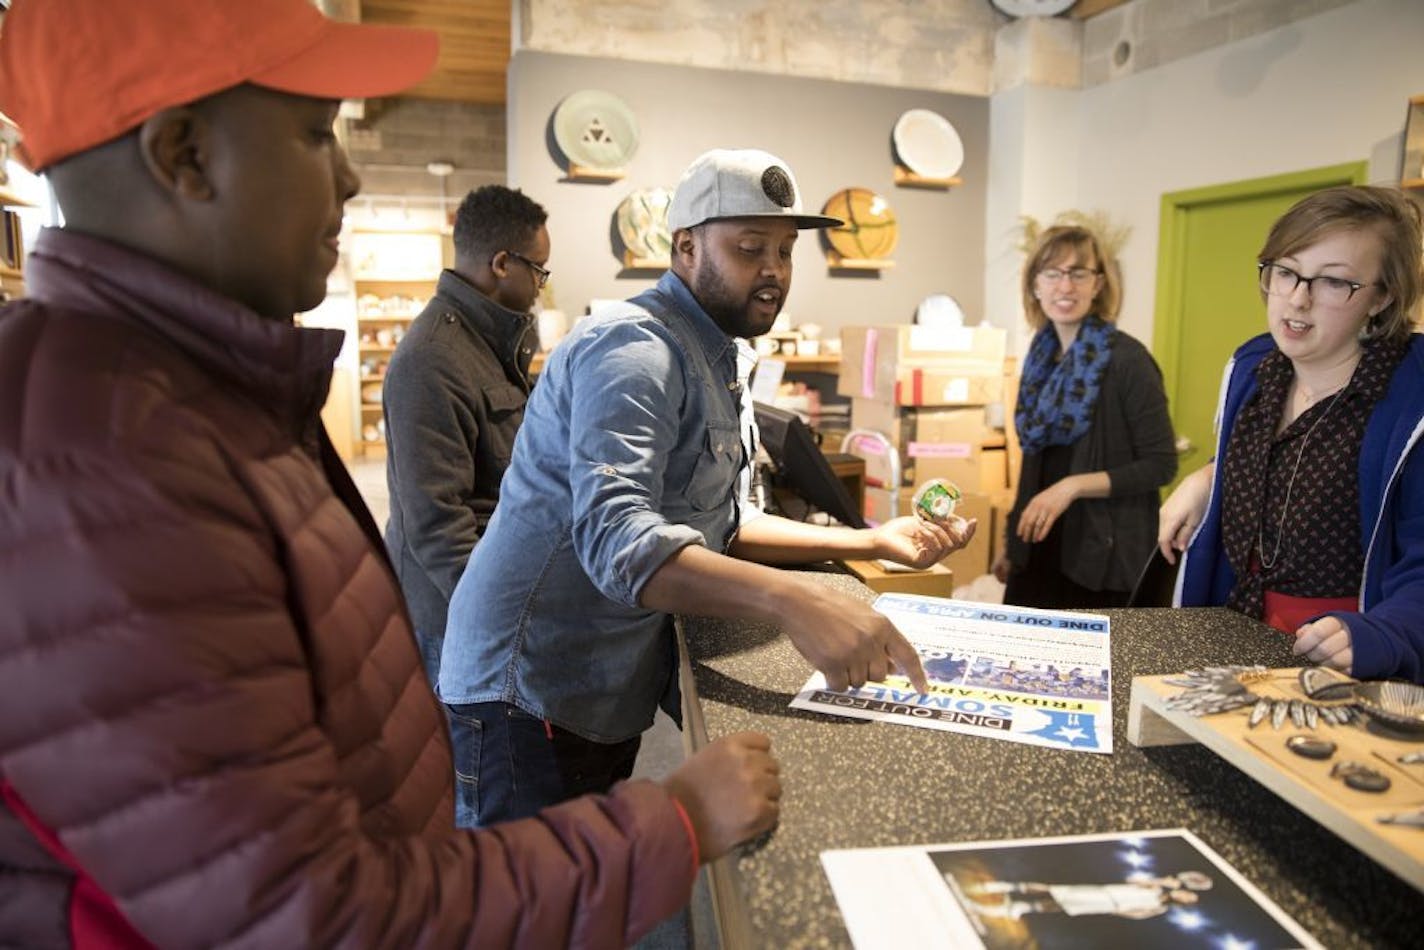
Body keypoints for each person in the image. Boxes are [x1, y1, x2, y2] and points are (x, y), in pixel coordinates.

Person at [0, 2, 782, 946]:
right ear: (183, 155)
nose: (349, 173)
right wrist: (675, 822)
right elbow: (311, 914)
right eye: (312, 131)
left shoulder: (190, 396)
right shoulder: (109, 459)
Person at [440, 148, 977, 827]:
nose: (775, 273)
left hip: (599, 679)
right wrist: (796, 601)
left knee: (592, 880)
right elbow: (620, 542)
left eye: (786, 252)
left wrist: (871, 538)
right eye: (752, 248)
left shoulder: (719, 351)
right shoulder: (634, 351)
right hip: (529, 687)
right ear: (686, 247)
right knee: (530, 905)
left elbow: (721, 520)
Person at [1160, 185, 1424, 684]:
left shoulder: (1411, 402)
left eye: (1332, 283)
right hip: (1233, 640)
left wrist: (1382, 633)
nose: (1297, 300)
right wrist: (1211, 477)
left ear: (1383, 295)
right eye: (1285, 272)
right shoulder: (1254, 370)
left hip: (1344, 666)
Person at [384, 185, 548, 685]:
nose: (543, 284)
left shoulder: (486, 343)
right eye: (539, 270)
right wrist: (500, 623)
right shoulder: (432, 358)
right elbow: (438, 526)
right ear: (502, 264)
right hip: (453, 617)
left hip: (489, 593)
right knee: (464, 759)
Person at [993, 225, 1177, 609]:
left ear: (1098, 284)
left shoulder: (1129, 361)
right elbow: (1034, 460)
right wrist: (1012, 544)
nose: (1066, 287)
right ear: (1035, 286)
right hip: (1038, 549)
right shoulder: (1041, 358)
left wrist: (1072, 486)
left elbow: (1160, 465)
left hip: (1102, 560)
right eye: (1053, 273)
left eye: (1079, 274)